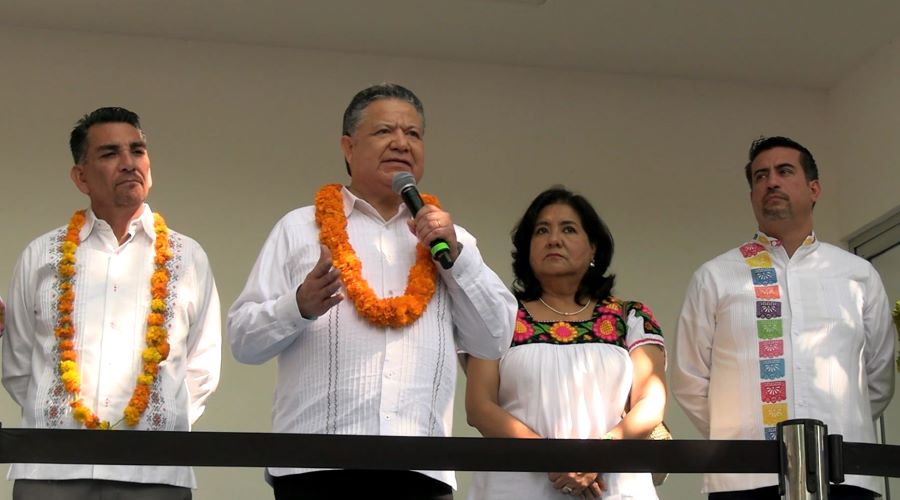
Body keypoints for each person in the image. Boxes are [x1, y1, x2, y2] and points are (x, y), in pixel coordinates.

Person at [227, 83, 517, 499]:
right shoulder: (299, 229)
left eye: (413, 134)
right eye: (384, 131)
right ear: (348, 147)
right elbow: (242, 340)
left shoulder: (450, 240)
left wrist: (458, 258)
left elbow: (495, 338)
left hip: (421, 471)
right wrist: (298, 306)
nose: (402, 142)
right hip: (315, 468)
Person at [2, 107, 222, 500]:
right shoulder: (42, 255)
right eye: (109, 154)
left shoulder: (188, 257)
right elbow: (18, 363)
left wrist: (156, 426)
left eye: (137, 151)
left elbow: (202, 368)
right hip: (51, 469)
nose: (128, 163)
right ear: (80, 177)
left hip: (154, 474)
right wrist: (61, 422)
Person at [671, 136, 896, 499]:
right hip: (744, 479)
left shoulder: (858, 275)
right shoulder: (715, 276)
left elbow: (878, 378)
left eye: (784, 171)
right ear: (751, 196)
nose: (771, 181)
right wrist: (743, 437)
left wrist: (839, 429)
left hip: (844, 476)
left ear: (814, 189)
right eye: (760, 176)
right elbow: (690, 378)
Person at [465, 187, 667, 499]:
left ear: (593, 249)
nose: (553, 239)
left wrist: (598, 454)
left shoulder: (629, 317)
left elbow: (651, 403)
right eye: (541, 230)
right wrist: (554, 455)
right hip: (516, 487)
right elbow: (479, 407)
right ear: (527, 249)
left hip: (613, 486)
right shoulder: (498, 315)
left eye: (568, 229)